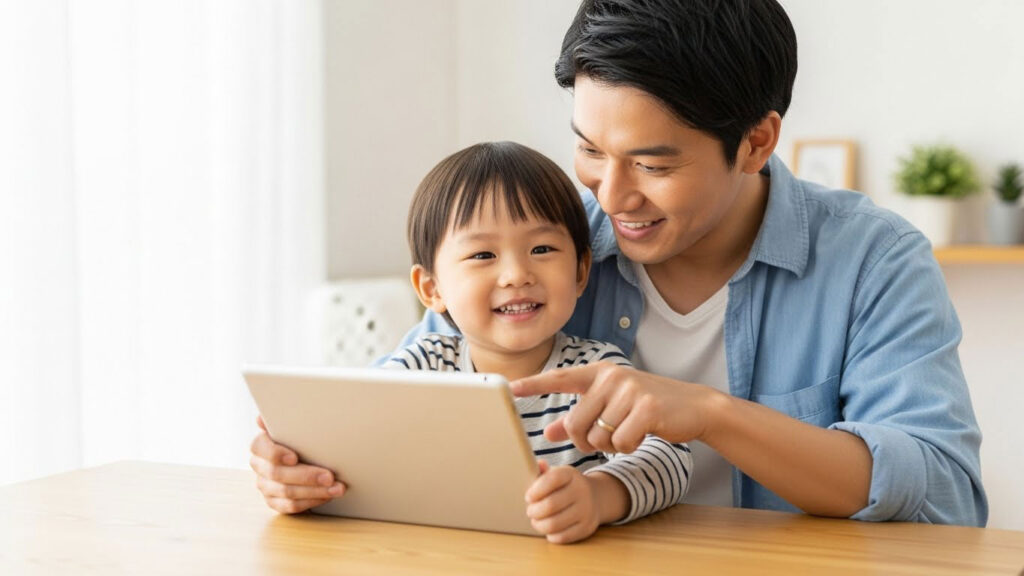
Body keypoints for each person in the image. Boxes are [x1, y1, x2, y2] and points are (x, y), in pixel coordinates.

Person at [252, 0, 985, 526]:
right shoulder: (546, 250)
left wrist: (712, 416)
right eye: (591, 150)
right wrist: (306, 467)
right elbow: (415, 401)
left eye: (653, 164)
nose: (611, 192)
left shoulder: (873, 260)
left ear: (757, 143)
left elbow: (942, 491)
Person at [252, 141, 692, 544]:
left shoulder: (596, 372)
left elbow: (670, 455)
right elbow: (353, 435)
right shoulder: (421, 367)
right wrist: (295, 467)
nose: (517, 274)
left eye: (541, 249)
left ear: (580, 272)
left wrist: (599, 496)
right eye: (483, 255)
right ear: (431, 289)